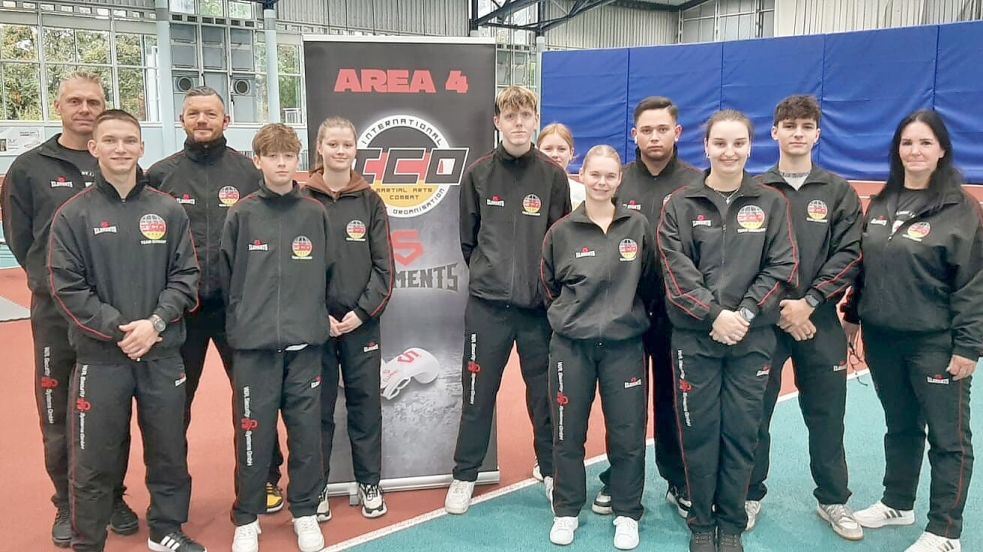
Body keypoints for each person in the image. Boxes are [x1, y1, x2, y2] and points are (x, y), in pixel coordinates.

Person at [47, 109, 204, 552]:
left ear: (141, 148)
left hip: (161, 353)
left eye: (129, 141)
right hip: (101, 359)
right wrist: (121, 330)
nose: (120, 149)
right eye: (111, 141)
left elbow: (185, 278)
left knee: (170, 452)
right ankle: (88, 541)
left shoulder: (168, 210)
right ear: (94, 148)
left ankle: (166, 530)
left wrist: (154, 324)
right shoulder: (72, 215)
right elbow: (68, 288)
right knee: (94, 461)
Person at [0, 72, 137, 547]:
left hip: (112, 319)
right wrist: (58, 288)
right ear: (58, 106)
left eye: (93, 101)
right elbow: (22, 241)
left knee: (110, 415)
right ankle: (68, 504)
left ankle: (112, 496)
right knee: (58, 415)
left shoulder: (120, 163)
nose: (85, 108)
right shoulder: (29, 168)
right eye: (75, 101)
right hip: (57, 319)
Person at [657, 109, 798, 552]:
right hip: (695, 338)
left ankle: (731, 523)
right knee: (698, 432)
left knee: (741, 432)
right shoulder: (680, 204)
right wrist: (714, 315)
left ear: (750, 147)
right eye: (720, 143)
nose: (729, 152)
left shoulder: (771, 203)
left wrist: (744, 315)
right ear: (706, 147)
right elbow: (675, 270)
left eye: (738, 143)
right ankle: (702, 522)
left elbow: (781, 265)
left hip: (752, 339)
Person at [842, 110, 980, 552]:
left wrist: (969, 347)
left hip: (935, 342)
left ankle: (945, 531)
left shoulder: (961, 210)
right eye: (907, 143)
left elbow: (973, 284)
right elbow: (865, 269)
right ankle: (898, 503)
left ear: (941, 150)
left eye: (924, 143)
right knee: (900, 426)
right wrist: (852, 315)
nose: (914, 151)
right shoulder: (883, 202)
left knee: (948, 439)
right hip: (884, 339)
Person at [146, 87, 285, 514]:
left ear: (226, 121)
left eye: (211, 113)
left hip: (237, 311)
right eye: (194, 113)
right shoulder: (158, 175)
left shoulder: (249, 173)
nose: (202, 119)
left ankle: (265, 478)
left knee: (253, 399)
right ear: (182, 120)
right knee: (172, 406)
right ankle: (169, 494)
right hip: (178, 313)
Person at [445, 85, 571, 514]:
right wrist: (491, 277)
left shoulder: (553, 176)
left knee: (545, 397)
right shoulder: (479, 174)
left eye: (526, 115)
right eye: (510, 116)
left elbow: (562, 242)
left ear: (535, 120)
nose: (519, 123)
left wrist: (543, 292)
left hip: (539, 313)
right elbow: (468, 241)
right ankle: (464, 475)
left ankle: (552, 472)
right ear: (497, 122)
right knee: (477, 395)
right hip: (487, 308)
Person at [745, 95, 864, 539]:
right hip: (766, 323)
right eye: (789, 125)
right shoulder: (754, 188)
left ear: (817, 133)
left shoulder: (838, 192)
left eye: (806, 126)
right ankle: (749, 494)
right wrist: (780, 308)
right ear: (774, 132)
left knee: (827, 415)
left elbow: (850, 254)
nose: (797, 133)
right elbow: (742, 260)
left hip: (820, 323)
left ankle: (833, 500)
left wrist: (809, 302)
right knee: (753, 414)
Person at [222, 123, 332, 552]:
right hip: (254, 348)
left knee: (306, 434)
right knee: (253, 432)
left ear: (298, 159)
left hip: (305, 346)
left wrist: (314, 321)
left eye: (289, 155)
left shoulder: (314, 213)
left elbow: (327, 273)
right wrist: (245, 324)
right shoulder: (242, 214)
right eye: (273, 156)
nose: (282, 162)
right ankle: (247, 517)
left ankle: (305, 511)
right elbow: (229, 278)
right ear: (258, 161)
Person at [541, 145, 655, 550]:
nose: (602, 182)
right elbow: (549, 288)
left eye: (610, 176)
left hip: (624, 349)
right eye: (595, 175)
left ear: (619, 180)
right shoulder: (561, 232)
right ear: (582, 175)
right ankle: (567, 510)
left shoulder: (638, 227)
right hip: (572, 349)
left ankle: (627, 512)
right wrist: (577, 320)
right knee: (567, 433)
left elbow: (651, 282)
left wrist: (625, 318)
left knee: (627, 434)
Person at [594, 96, 702, 518]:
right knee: (626, 405)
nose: (654, 137)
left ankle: (678, 478)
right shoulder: (617, 180)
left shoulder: (697, 182)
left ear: (677, 133)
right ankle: (619, 479)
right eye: (646, 130)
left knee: (676, 402)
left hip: (680, 317)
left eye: (662, 129)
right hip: (627, 314)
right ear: (633, 134)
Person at [304, 116, 394, 521]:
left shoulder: (370, 201)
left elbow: (384, 269)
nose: (340, 151)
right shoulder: (301, 197)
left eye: (347, 145)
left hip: (362, 325)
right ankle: (316, 487)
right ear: (319, 148)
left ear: (356, 150)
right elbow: (291, 268)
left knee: (364, 405)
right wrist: (315, 315)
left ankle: (369, 482)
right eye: (333, 144)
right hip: (314, 327)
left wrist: (360, 313)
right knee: (316, 409)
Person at [538, 123, 586, 209]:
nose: (555, 154)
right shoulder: (528, 187)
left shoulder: (582, 194)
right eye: (548, 149)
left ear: (571, 153)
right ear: (538, 151)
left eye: (561, 149)